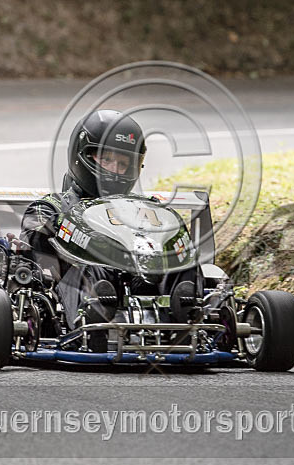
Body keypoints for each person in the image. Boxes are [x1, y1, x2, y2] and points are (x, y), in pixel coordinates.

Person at [18, 109, 200, 349]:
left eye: (123, 164)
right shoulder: (52, 206)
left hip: (141, 279)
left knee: (181, 258)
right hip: (79, 284)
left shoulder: (145, 209)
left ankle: (184, 317)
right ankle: (93, 320)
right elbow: (33, 242)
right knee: (93, 268)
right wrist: (63, 226)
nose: (115, 169)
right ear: (81, 156)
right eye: (106, 160)